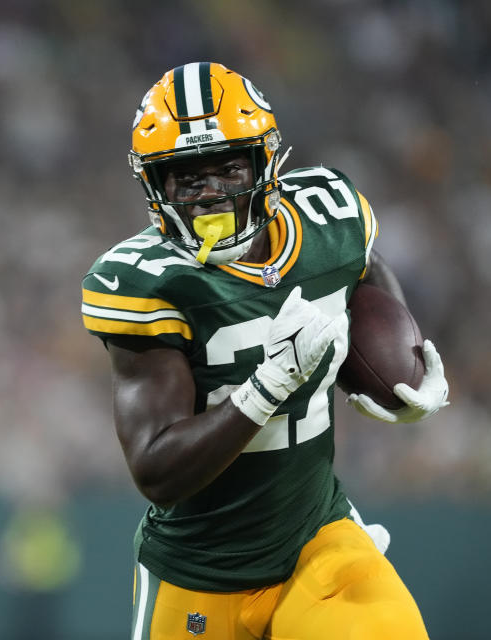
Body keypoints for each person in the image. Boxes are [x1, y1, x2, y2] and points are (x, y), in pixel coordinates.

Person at [81, 62, 449, 639]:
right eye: (186, 178)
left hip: (315, 539)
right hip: (198, 571)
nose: (210, 195)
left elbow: (366, 267)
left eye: (228, 169)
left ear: (266, 163)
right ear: (155, 186)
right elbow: (156, 470)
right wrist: (267, 388)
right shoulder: (144, 281)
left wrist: (405, 360)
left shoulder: (328, 215)